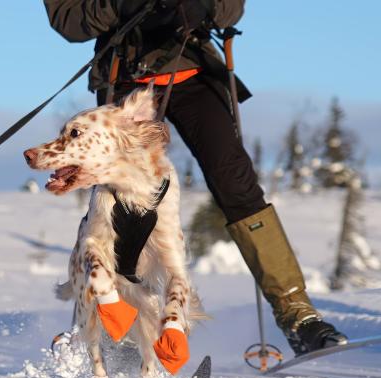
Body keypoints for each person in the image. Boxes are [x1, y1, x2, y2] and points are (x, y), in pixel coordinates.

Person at [43, 0, 348, 355]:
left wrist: (202, 5)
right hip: (123, 75)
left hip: (191, 72)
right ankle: (120, 332)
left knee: (236, 184)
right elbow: (68, 20)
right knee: (117, 202)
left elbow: (230, 10)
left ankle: (299, 318)